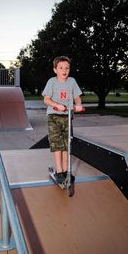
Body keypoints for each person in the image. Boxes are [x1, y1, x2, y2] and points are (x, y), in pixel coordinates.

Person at [42, 56, 83, 184]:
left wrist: (78, 104)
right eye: (61, 68)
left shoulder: (72, 81)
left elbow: (77, 97)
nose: (64, 70)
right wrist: (56, 105)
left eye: (67, 68)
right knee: (57, 145)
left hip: (67, 117)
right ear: (55, 70)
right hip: (54, 117)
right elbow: (46, 99)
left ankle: (66, 171)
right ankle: (59, 172)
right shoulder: (51, 82)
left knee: (67, 146)